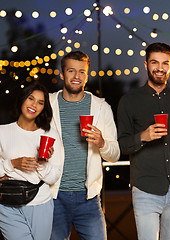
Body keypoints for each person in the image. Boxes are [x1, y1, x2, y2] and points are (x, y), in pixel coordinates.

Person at [118, 42, 170, 240]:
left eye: (165, 63)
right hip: (145, 189)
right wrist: (143, 137)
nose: (159, 68)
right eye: (154, 62)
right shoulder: (129, 100)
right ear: (146, 65)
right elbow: (121, 144)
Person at [49, 51, 120, 240]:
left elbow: (115, 155)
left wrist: (102, 143)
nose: (76, 76)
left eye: (82, 72)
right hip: (54, 195)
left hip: (88, 198)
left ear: (87, 76)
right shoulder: (48, 104)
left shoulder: (101, 107)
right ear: (62, 74)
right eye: (71, 71)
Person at [0, 83, 62, 240]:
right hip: (6, 203)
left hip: (40, 203)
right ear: (22, 99)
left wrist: (43, 162)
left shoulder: (50, 134)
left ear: (43, 108)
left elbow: (54, 177)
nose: (34, 105)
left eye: (40, 102)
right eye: (31, 98)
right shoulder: (2, 132)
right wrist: (13, 164)